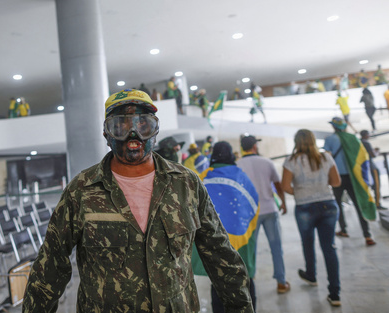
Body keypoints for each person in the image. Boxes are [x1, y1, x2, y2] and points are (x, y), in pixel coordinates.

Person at [22, 89, 253, 312]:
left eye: (143, 124)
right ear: (106, 134)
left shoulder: (186, 184)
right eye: (120, 126)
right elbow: (49, 268)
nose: (133, 135)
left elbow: (221, 255)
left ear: (155, 130)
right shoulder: (81, 190)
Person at [195, 141, 260, 312]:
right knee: (245, 279)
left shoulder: (203, 177)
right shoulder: (242, 176)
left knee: (218, 279)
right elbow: (254, 204)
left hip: (216, 241)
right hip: (242, 237)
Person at [281, 129, 342, 307]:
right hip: (328, 205)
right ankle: (335, 294)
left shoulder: (291, 161)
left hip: (305, 207)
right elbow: (336, 182)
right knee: (329, 248)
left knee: (308, 243)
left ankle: (311, 275)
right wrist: (320, 185)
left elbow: (285, 186)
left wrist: (300, 192)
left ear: (296, 141)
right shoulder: (326, 158)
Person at [236, 135, 290, 294]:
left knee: (249, 248)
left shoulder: (237, 165)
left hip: (250, 214)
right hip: (269, 210)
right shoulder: (266, 162)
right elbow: (278, 185)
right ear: (254, 146)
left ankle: (249, 280)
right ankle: (281, 283)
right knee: (276, 247)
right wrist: (283, 202)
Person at [323, 117, 376, 246]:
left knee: (338, 204)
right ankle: (367, 235)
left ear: (334, 127)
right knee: (358, 204)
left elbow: (327, 159)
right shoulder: (353, 138)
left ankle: (343, 229)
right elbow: (362, 156)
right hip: (353, 177)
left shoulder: (330, 139)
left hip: (337, 178)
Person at [360, 130, 387, 210]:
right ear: (366, 135)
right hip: (372, 167)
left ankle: (370, 203)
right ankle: (377, 204)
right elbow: (373, 155)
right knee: (377, 186)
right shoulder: (366, 143)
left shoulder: (359, 142)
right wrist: (376, 151)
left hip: (364, 167)